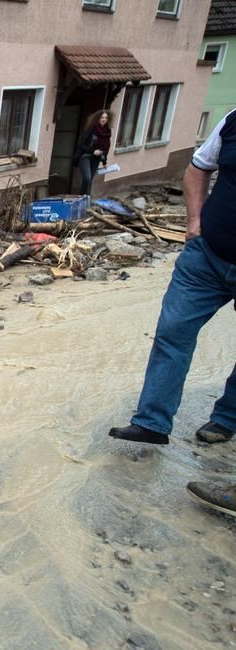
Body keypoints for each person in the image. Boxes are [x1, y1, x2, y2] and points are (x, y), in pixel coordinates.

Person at [108, 107, 236, 516]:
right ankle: (151, 423)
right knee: (172, 332)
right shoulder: (233, 121)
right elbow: (198, 168)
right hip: (207, 256)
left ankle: (227, 419)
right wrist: (194, 221)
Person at [76, 110, 113, 196]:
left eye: (106, 118)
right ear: (97, 119)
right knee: (87, 178)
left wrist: (104, 162)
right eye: (102, 117)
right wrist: (93, 151)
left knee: (90, 181)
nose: (104, 119)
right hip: (85, 157)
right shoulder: (91, 129)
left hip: (96, 159)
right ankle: (81, 197)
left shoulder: (107, 132)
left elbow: (106, 148)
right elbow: (81, 145)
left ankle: (87, 198)